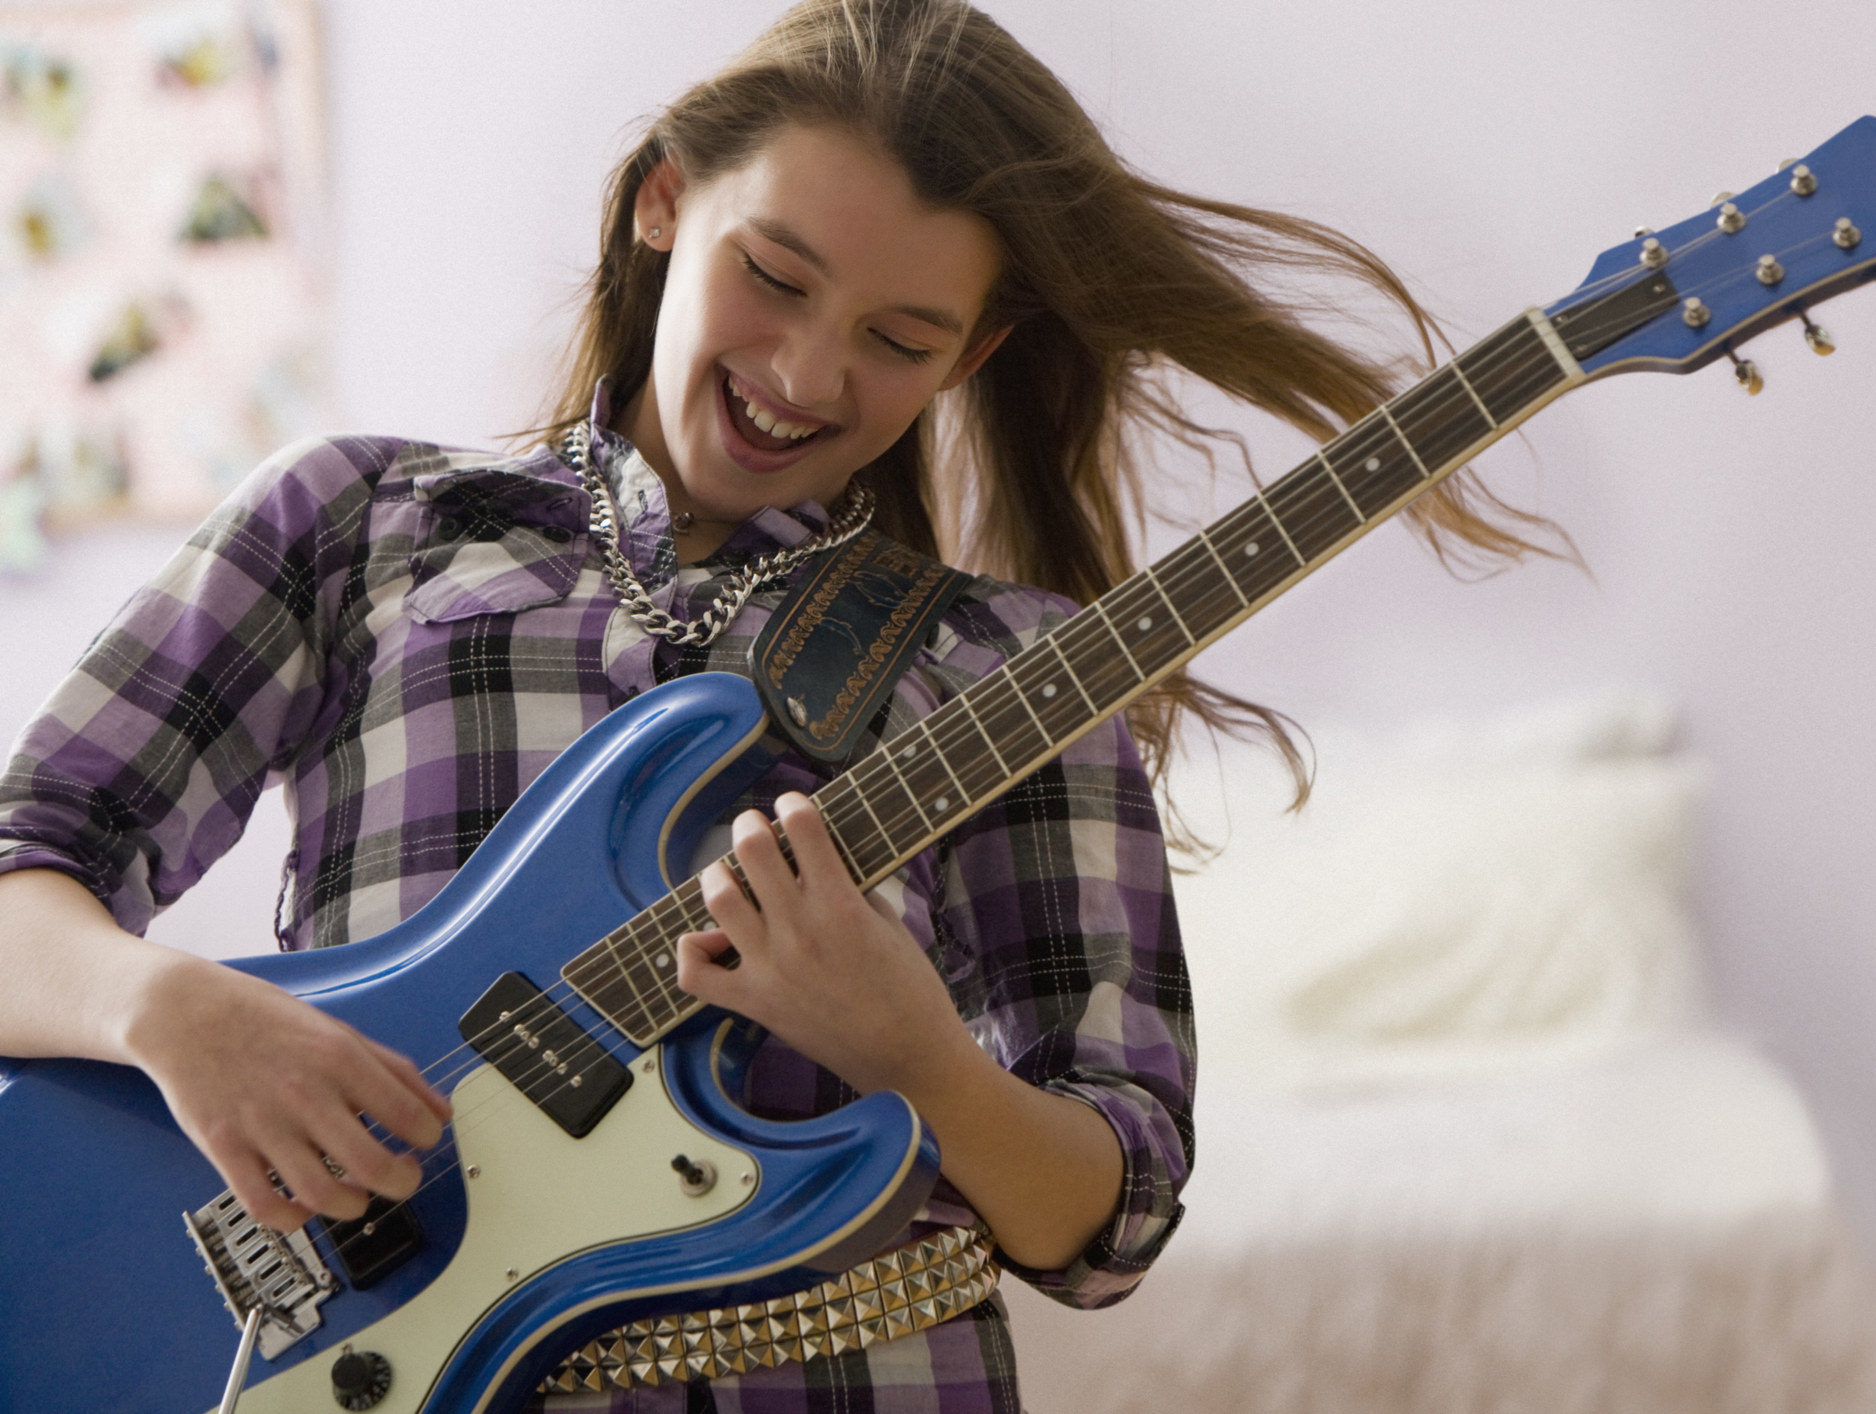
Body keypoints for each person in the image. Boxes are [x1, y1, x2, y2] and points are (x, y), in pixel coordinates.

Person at [0, 1, 1544, 1408]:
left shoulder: (1013, 666)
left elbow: (1108, 1215)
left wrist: (920, 1058)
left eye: (899, 339)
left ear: (975, 353)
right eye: (775, 276)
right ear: (666, 199)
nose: (806, 372)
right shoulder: (356, 523)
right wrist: (166, 1006)